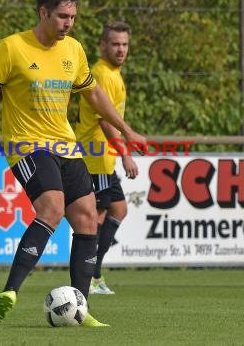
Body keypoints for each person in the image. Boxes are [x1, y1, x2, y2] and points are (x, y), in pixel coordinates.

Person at [0, 0, 146, 327]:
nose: (68, 23)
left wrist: (127, 131)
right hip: (26, 144)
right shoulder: (12, 48)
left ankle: (81, 310)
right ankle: (9, 291)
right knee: (52, 208)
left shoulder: (74, 50)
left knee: (86, 219)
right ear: (43, 12)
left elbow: (94, 96)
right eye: (62, 16)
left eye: (72, 17)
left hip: (65, 145)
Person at [75, 21, 138, 295]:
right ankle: (87, 276)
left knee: (119, 209)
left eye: (124, 44)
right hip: (96, 155)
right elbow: (104, 121)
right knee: (95, 216)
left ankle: (95, 273)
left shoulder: (113, 73)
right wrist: (126, 154)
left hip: (104, 157)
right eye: (115, 44)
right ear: (102, 46)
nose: (121, 49)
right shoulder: (102, 74)